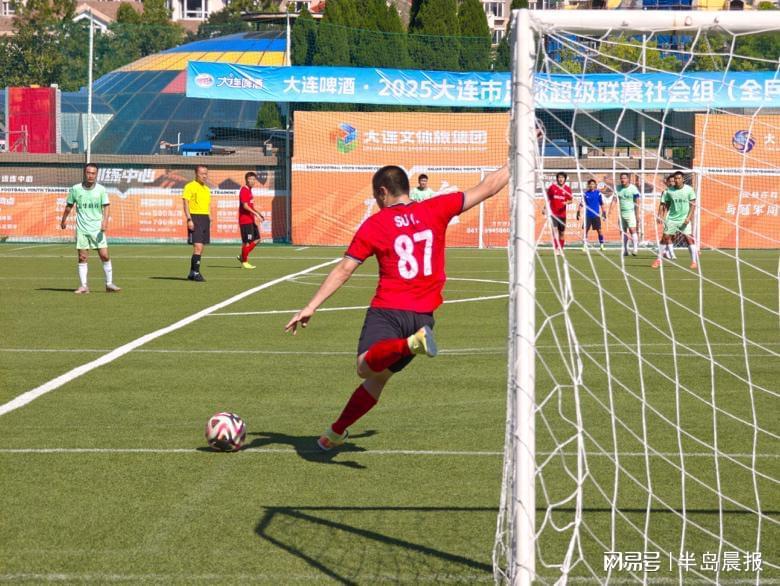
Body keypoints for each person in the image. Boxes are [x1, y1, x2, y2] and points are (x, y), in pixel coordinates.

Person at [284, 164, 509, 451]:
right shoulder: (435, 208)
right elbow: (488, 187)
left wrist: (310, 306)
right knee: (378, 379)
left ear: (383, 192)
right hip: (423, 318)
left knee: (365, 367)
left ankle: (409, 344)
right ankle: (336, 431)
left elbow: (344, 269)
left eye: (376, 196)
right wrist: (519, 157)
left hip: (389, 310)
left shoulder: (375, 224)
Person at [59, 163, 121, 294]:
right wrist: (63, 220)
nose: (90, 175)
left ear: (96, 174)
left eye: (93, 173)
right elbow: (69, 206)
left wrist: (105, 222)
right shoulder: (76, 189)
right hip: (82, 229)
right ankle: (84, 286)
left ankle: (109, 284)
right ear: (84, 173)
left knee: (104, 255)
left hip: (97, 229)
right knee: (82, 257)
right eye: (88, 173)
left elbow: (106, 206)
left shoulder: (101, 190)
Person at [652, 171, 698, 270]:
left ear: (683, 179)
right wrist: (661, 216)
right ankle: (658, 260)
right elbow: (664, 204)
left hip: (684, 219)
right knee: (665, 238)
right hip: (671, 219)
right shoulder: (669, 191)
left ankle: (694, 261)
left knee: (689, 239)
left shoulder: (689, 190)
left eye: (679, 178)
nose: (677, 180)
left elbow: (693, 205)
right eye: (675, 179)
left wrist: (689, 217)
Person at [182, 165, 211, 281]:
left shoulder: (207, 189)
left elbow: (208, 205)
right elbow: (185, 204)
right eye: (202, 173)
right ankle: (196, 273)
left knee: (201, 247)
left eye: (206, 173)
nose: (204, 176)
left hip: (205, 218)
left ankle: (191, 273)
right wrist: (189, 219)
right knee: (198, 246)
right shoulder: (189, 186)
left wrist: (209, 217)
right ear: (196, 174)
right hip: (195, 217)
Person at [237, 171, 265, 270]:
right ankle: (245, 261)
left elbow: (250, 206)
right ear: (246, 180)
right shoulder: (244, 190)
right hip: (245, 221)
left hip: (251, 220)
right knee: (247, 242)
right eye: (250, 179)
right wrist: (256, 214)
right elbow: (245, 206)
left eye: (254, 179)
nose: (252, 181)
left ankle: (242, 256)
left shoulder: (249, 190)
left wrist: (258, 213)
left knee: (257, 239)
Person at [608, 172, 640, 256]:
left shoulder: (633, 188)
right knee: (623, 232)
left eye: (624, 178)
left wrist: (637, 214)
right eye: (621, 178)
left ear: (628, 179)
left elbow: (637, 201)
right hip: (621, 213)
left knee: (632, 230)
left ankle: (635, 249)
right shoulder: (618, 188)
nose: (622, 180)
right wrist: (610, 211)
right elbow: (614, 200)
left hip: (630, 212)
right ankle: (625, 250)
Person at [545, 172, 572, 255]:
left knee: (562, 233)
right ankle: (556, 249)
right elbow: (548, 199)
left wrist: (566, 202)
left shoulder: (567, 189)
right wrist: (545, 208)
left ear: (565, 179)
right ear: (557, 179)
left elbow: (571, 200)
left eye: (562, 177)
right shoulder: (552, 188)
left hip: (562, 214)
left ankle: (561, 249)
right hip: (553, 213)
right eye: (559, 177)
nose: (561, 179)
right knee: (555, 231)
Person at [577, 179, 607, 250]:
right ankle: (585, 246)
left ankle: (602, 245)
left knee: (599, 230)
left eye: (593, 184)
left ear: (595, 185)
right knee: (585, 231)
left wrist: (604, 213)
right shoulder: (585, 194)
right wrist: (578, 212)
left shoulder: (598, 193)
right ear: (588, 185)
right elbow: (581, 204)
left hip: (596, 215)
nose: (591, 185)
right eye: (590, 184)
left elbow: (601, 204)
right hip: (588, 216)